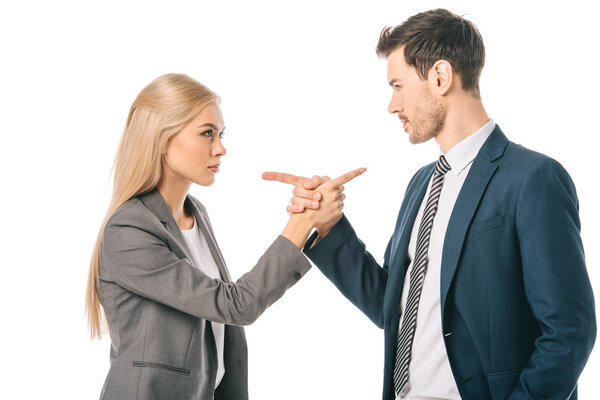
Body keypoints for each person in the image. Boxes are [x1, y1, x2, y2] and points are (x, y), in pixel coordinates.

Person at [265, 8, 596, 400]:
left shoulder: (533, 179)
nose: (392, 105)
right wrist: (329, 226)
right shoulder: (422, 184)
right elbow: (392, 307)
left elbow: (569, 332)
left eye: (398, 86)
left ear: (440, 77)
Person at [84, 73, 365, 400]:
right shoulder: (129, 229)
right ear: (161, 139)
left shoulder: (195, 212)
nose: (221, 148)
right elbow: (235, 304)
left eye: (221, 134)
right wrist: (301, 223)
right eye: (207, 134)